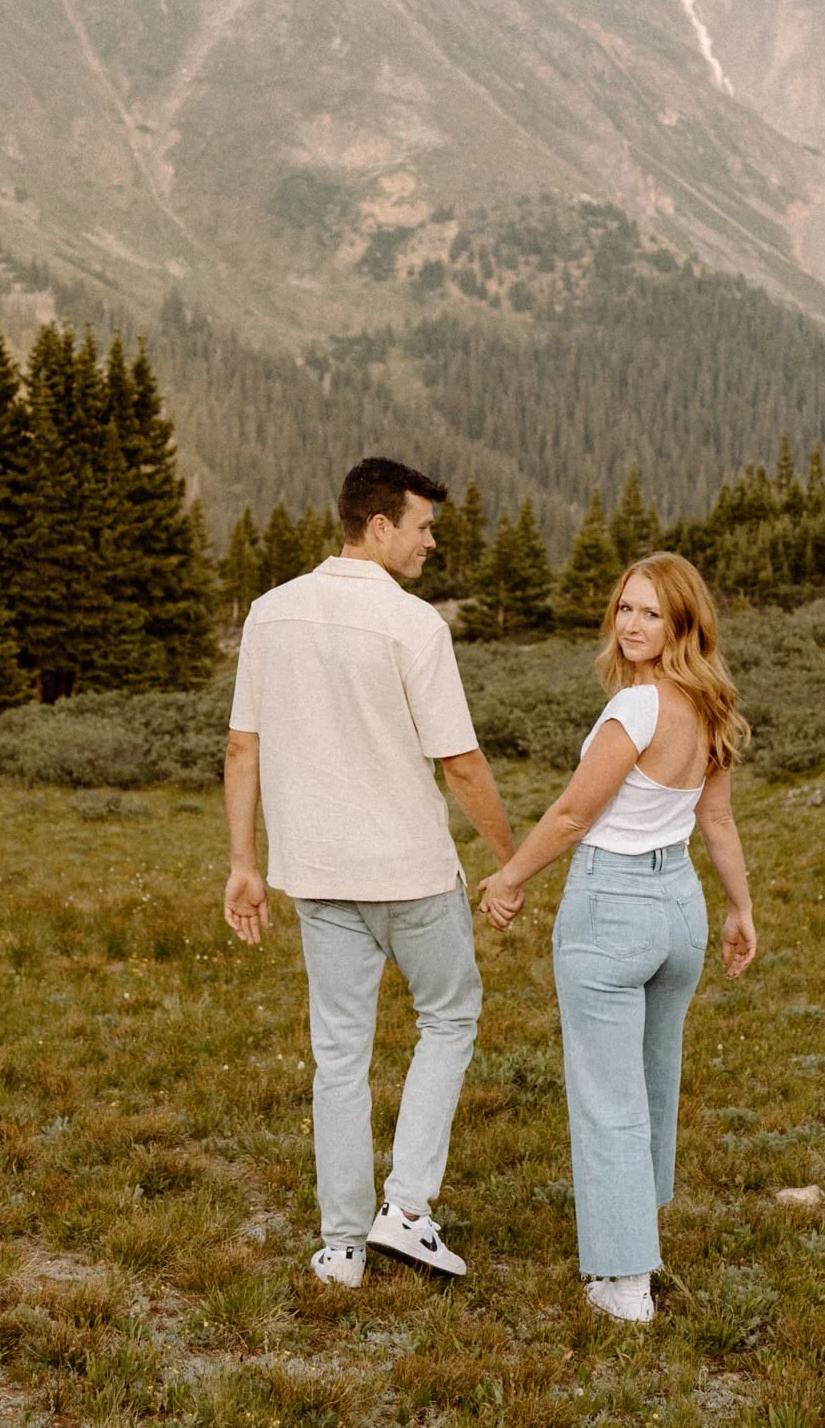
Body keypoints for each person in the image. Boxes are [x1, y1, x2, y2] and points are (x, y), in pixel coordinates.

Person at [223, 457, 517, 1288]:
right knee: (451, 1018)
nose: (432, 542)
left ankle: (344, 1247)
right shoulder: (413, 625)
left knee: (340, 1055)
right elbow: (460, 763)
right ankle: (409, 1211)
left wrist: (245, 863)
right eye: (423, 527)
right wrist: (511, 863)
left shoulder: (269, 614)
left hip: (315, 873)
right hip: (412, 873)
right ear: (379, 526)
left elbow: (242, 745)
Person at [478, 552, 756, 1324]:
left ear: (681, 622)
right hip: (680, 910)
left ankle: (624, 1280)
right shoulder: (711, 704)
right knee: (652, 1080)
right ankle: (640, 1226)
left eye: (649, 613)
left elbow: (572, 815)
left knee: (608, 1098)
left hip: (613, 907)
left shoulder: (635, 710)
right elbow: (717, 820)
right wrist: (740, 909)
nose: (631, 624)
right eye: (624, 608)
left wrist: (509, 880)